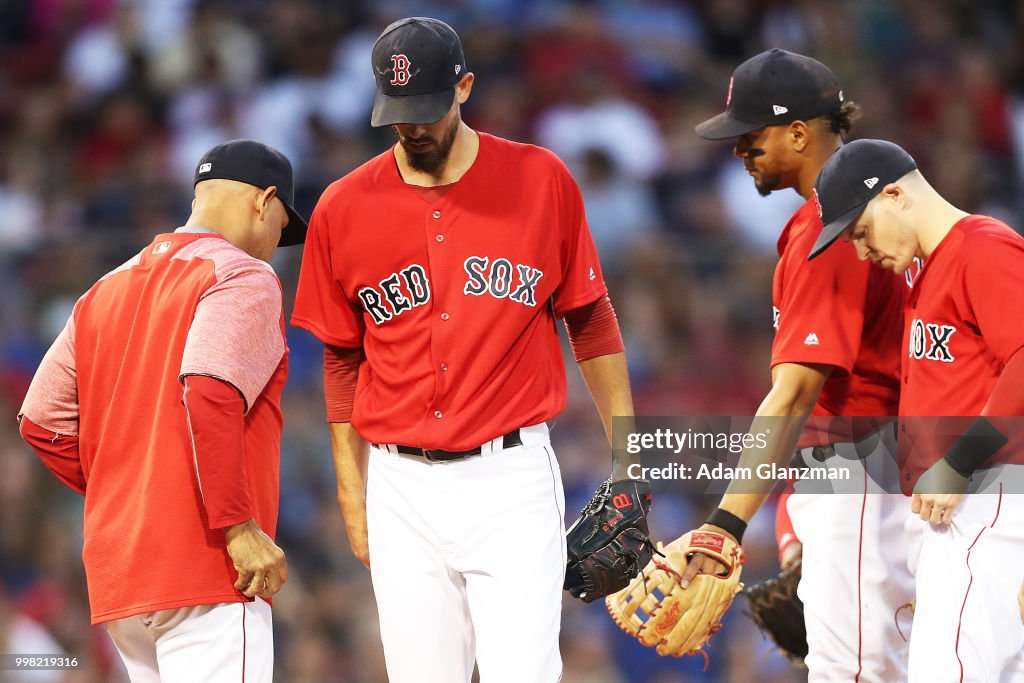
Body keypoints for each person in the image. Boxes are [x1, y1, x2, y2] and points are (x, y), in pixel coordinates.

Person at [290, 16, 636, 683]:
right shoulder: (342, 207)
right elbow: (340, 359)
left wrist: (629, 454)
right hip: (398, 484)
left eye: (426, 111)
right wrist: (349, 488)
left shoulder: (540, 179)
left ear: (465, 88)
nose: (413, 128)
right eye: (398, 115)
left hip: (509, 476)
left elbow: (590, 319)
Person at [18, 139, 305, 682]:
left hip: (123, 577)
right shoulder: (242, 275)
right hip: (207, 568)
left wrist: (131, 484)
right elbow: (208, 388)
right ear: (264, 201)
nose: (275, 246)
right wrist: (237, 527)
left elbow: (41, 420)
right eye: (281, 227)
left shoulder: (104, 288)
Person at [685, 50, 915, 680]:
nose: (738, 150)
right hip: (881, 469)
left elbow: (793, 398)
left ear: (798, 132)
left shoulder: (831, 227)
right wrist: (793, 520)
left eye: (750, 134)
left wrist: (726, 524)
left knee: (855, 672)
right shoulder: (887, 210)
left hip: (868, 468)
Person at [811, 138, 1024, 681]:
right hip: (960, 510)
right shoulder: (924, 270)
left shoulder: (982, 246)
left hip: (988, 498)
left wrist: (958, 461)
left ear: (893, 195)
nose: (861, 252)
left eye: (860, 231)